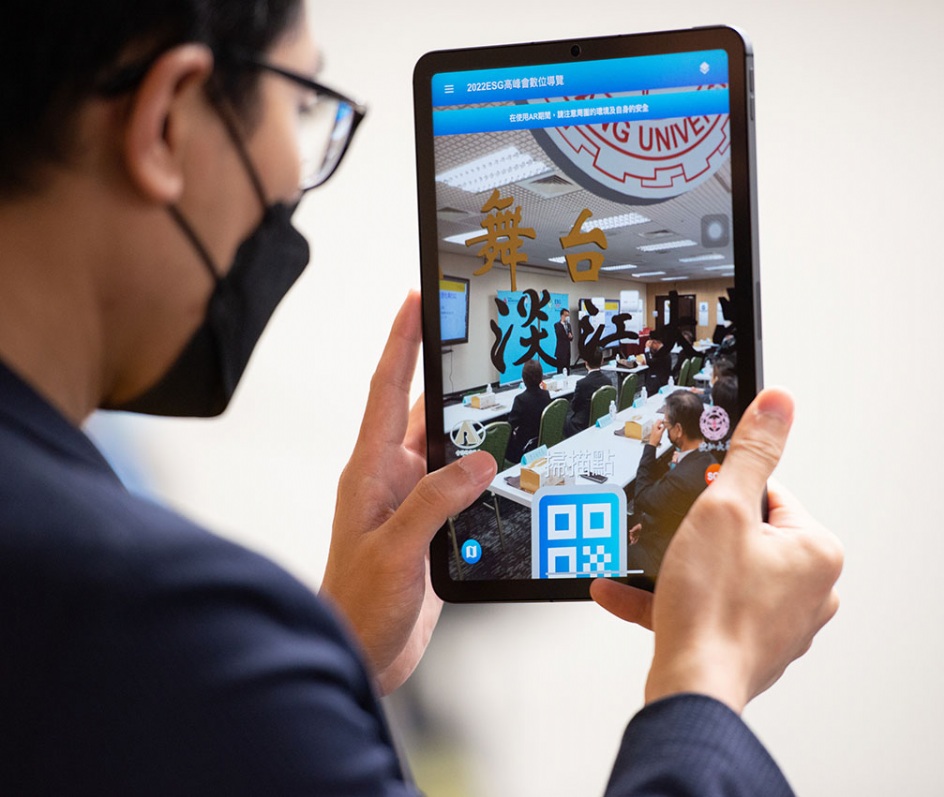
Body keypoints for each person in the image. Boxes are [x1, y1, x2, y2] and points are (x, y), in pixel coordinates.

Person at [0, 2, 843, 794]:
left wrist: (329, 658)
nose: (301, 171)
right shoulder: (149, 618)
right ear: (168, 120)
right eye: (302, 104)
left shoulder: (107, 622)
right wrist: (706, 679)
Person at [627, 391, 718, 579]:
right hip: (694, 539)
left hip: (674, 557)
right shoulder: (709, 459)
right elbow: (676, 506)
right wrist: (647, 524)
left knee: (623, 554)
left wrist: (651, 445)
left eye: (667, 425)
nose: (665, 429)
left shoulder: (680, 479)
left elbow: (642, 497)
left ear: (678, 430)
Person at [504, 358, 552, 464]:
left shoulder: (520, 399)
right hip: (540, 442)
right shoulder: (546, 394)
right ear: (541, 377)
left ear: (523, 378)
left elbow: (510, 426)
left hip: (523, 448)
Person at [564, 346, 612, 436]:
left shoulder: (582, 384)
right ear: (602, 361)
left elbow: (574, 407)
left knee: (563, 421)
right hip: (601, 419)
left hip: (582, 424)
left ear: (586, 363)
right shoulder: (608, 381)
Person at [554, 306, 573, 372]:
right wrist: (567, 335)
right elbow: (559, 335)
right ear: (562, 316)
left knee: (567, 369)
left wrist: (571, 336)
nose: (567, 317)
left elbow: (571, 338)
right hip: (561, 351)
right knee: (560, 370)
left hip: (567, 350)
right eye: (566, 315)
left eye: (568, 316)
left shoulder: (568, 325)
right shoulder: (557, 325)